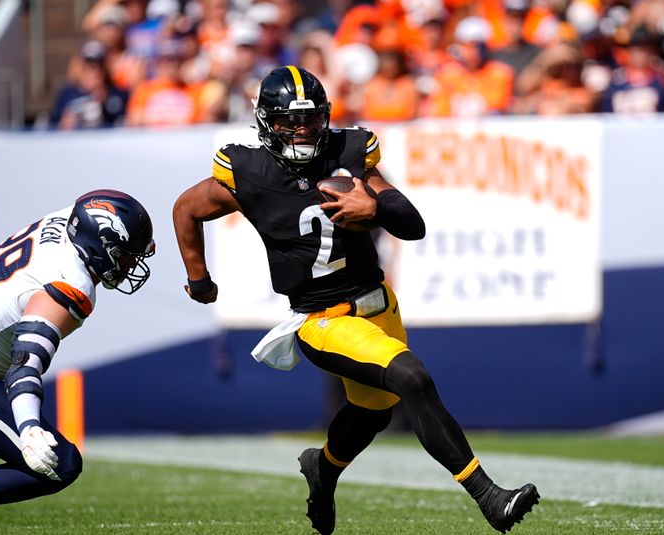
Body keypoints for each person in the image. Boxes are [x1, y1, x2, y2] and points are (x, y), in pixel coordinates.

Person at [172, 65, 539, 534]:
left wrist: (377, 206)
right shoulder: (248, 171)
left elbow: (412, 223)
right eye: (290, 119)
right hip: (322, 319)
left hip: (379, 305)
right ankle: (489, 496)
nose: (302, 129)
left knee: (372, 414)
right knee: (413, 378)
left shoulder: (348, 151)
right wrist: (199, 278)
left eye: (310, 118)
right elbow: (186, 208)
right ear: (266, 120)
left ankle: (322, 470)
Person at [0, 189, 155, 534]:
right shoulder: (72, 283)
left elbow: (93, 208)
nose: (130, 265)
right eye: (124, 255)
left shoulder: (68, 219)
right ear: (97, 246)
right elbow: (25, 364)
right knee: (58, 464)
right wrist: (29, 428)